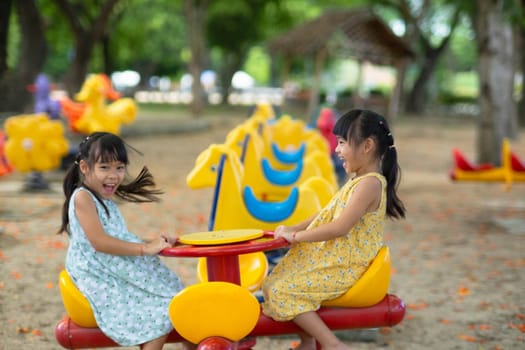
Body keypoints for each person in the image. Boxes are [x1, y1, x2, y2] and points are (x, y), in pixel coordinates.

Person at [261, 109, 406, 350]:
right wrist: (292, 228)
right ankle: (309, 342)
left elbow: (340, 227)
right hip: (336, 258)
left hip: (348, 265)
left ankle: (333, 345)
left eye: (341, 143)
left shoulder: (370, 184)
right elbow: (326, 213)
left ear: (367, 145)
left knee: (282, 289)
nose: (336, 149)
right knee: (275, 280)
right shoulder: (357, 180)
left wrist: (297, 237)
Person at [58, 132, 191, 350]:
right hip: (97, 273)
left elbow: (118, 237)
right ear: (85, 167)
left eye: (119, 167)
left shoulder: (103, 200)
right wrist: (144, 248)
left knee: (177, 296)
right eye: (104, 168)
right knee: (161, 312)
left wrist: (157, 241)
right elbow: (99, 242)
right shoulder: (83, 197)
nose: (114, 175)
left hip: (110, 266)